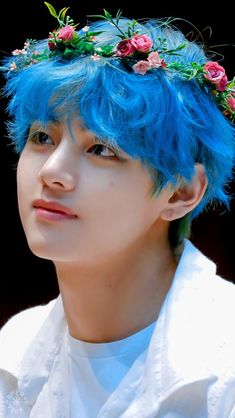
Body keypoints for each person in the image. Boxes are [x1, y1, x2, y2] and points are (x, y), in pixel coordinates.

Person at [0, 3, 235, 417]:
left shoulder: (225, 365)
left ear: (181, 192)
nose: (53, 171)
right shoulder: (13, 349)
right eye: (41, 137)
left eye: (100, 149)